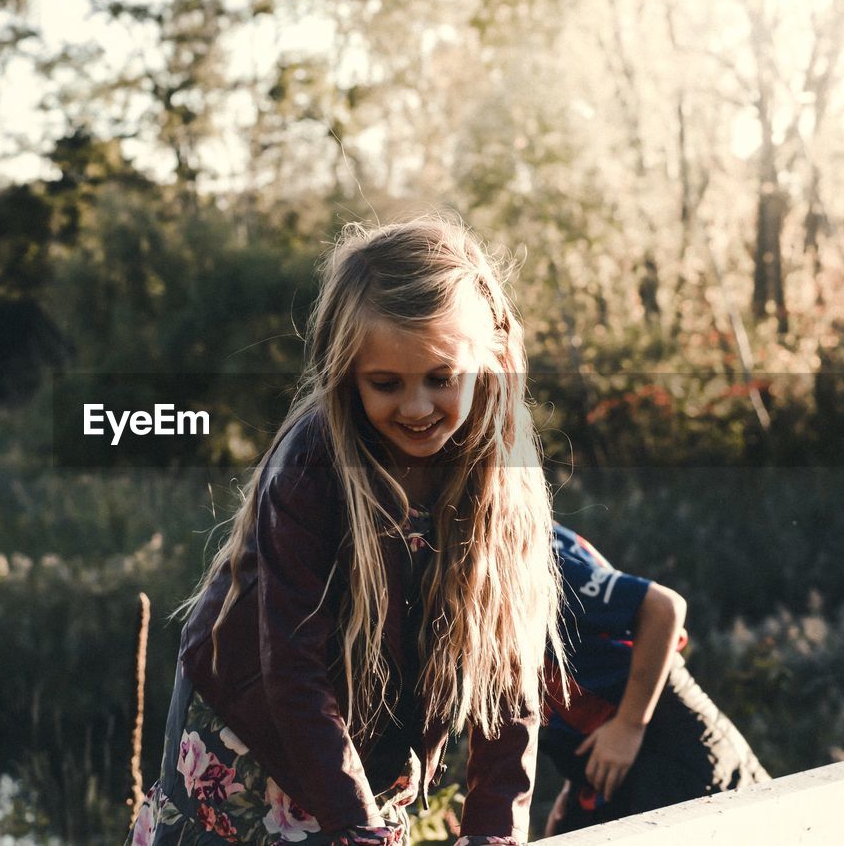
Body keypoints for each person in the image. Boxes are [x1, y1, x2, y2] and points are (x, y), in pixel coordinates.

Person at [124, 216, 568, 846]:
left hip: (374, 746)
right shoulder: (312, 465)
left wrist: (494, 830)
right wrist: (354, 826)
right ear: (345, 371)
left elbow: (509, 671)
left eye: (441, 378)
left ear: (492, 359)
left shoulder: (504, 474)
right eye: (385, 384)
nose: (416, 407)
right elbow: (294, 668)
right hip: (248, 728)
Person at [541, 524, 770, 836]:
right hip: (604, 757)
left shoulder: (520, 551)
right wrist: (575, 785)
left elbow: (663, 608)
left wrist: (628, 725)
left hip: (666, 735)